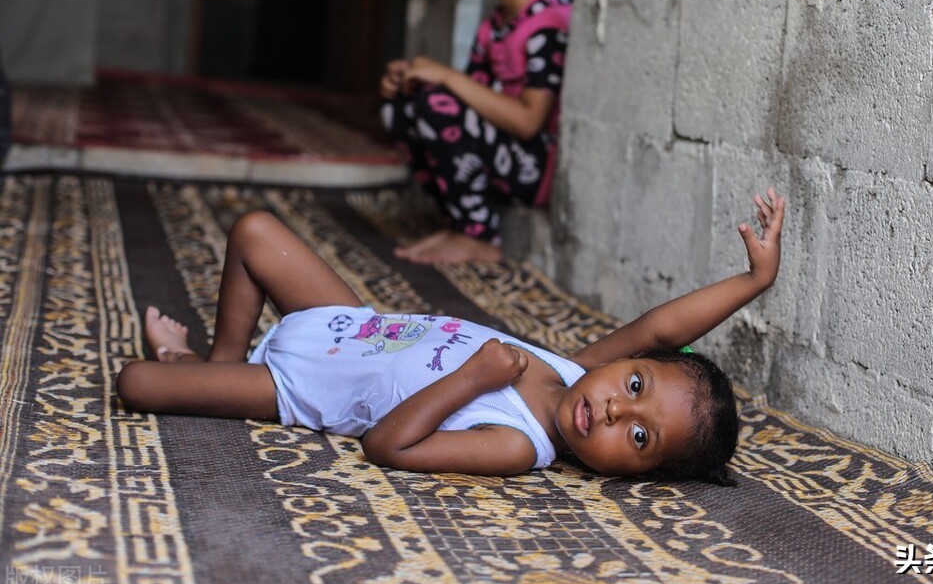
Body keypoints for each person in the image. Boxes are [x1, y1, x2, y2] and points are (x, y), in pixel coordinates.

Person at [117, 188, 786, 484]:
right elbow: (662, 326)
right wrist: (751, 283)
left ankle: (194, 367)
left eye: (639, 437)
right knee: (255, 230)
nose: (615, 409)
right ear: (631, 363)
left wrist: (474, 379)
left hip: (300, 386)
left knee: (138, 383)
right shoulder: (570, 370)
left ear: (638, 475)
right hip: (352, 322)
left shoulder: (520, 444)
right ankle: (216, 360)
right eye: (635, 385)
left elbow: (388, 447)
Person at [381, 0, 575, 264]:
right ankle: (460, 223)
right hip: (504, 156)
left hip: (533, 167)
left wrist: (446, 77)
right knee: (403, 106)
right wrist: (413, 80)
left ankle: (480, 235)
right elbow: (473, 98)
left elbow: (529, 121)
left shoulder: (549, 21)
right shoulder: (496, 24)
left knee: (436, 104)